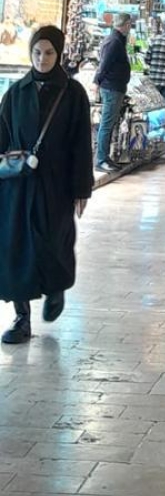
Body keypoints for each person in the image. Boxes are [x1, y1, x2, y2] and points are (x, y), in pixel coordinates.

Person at [0, 25, 94, 346]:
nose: (42, 59)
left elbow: (81, 143)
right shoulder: (16, 93)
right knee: (16, 247)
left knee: (54, 241)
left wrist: (82, 188)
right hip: (18, 186)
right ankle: (21, 317)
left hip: (56, 184)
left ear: (59, 53)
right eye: (37, 53)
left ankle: (56, 287)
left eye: (49, 53)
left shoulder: (73, 93)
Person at [94, 13, 132, 172]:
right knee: (106, 124)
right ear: (125, 24)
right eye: (129, 24)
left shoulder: (117, 40)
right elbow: (104, 65)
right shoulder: (114, 42)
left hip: (115, 87)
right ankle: (101, 159)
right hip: (111, 88)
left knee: (109, 124)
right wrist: (96, 82)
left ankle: (105, 157)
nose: (130, 27)